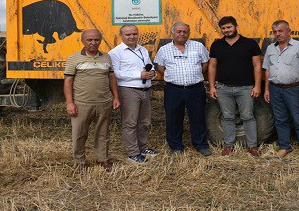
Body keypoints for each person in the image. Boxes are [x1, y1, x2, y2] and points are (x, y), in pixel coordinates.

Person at [63, 29, 120, 172]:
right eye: (89, 40)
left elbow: (111, 78)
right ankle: (80, 161)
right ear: (82, 41)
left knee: (103, 134)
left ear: (100, 41)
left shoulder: (106, 57)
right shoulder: (73, 58)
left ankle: (103, 160)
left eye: (96, 40)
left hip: (104, 103)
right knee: (79, 134)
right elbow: (68, 82)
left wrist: (116, 98)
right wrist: (70, 103)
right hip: (82, 104)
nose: (93, 43)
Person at [153, 22, 212, 156]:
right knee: (173, 118)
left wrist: (193, 75)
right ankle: (176, 146)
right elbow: (161, 68)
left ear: (189, 33)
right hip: (173, 90)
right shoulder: (164, 49)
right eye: (179, 31)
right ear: (172, 33)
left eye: (185, 32)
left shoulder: (198, 46)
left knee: (198, 117)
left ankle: (200, 144)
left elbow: (205, 64)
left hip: (195, 89)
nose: (182, 34)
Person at [208, 16, 263, 157]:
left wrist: (257, 86)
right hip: (223, 88)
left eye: (229, 27)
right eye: (224, 28)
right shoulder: (217, 45)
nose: (227, 30)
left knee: (247, 116)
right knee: (227, 117)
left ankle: (252, 146)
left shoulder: (250, 44)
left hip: (245, 88)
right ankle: (229, 145)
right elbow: (212, 66)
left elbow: (257, 66)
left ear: (236, 26)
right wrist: (212, 86)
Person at [263, 20, 299, 160]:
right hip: (275, 89)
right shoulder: (270, 48)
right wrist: (266, 90)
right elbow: (267, 70)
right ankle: (284, 146)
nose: (278, 34)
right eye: (275, 32)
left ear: (289, 31)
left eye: (281, 31)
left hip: (294, 89)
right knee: (280, 119)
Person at [109, 24, 159, 164]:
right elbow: (115, 74)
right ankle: (133, 153)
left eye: (134, 34)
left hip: (145, 90)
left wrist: (152, 73)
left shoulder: (142, 49)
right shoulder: (115, 52)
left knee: (145, 122)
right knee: (130, 123)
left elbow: (150, 65)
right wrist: (139, 75)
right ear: (121, 36)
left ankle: (143, 148)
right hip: (129, 90)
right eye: (128, 34)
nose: (132, 37)